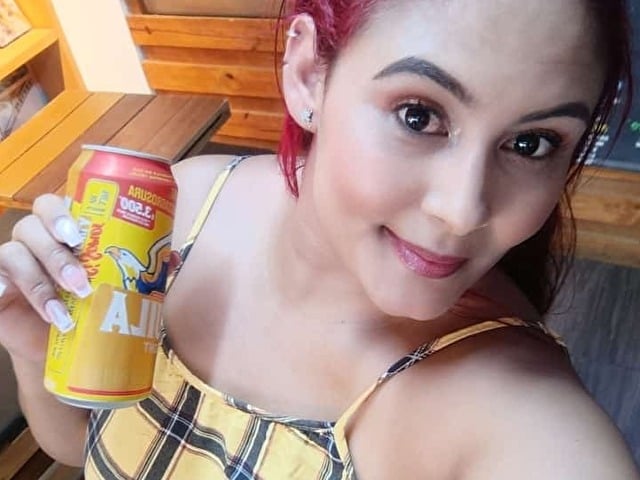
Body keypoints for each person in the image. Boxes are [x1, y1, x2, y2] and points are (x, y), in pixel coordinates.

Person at [0, 0, 638, 478]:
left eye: (531, 143)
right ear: (309, 74)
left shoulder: (522, 422)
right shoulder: (186, 207)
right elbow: (79, 444)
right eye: (418, 115)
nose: (461, 210)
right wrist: (33, 347)